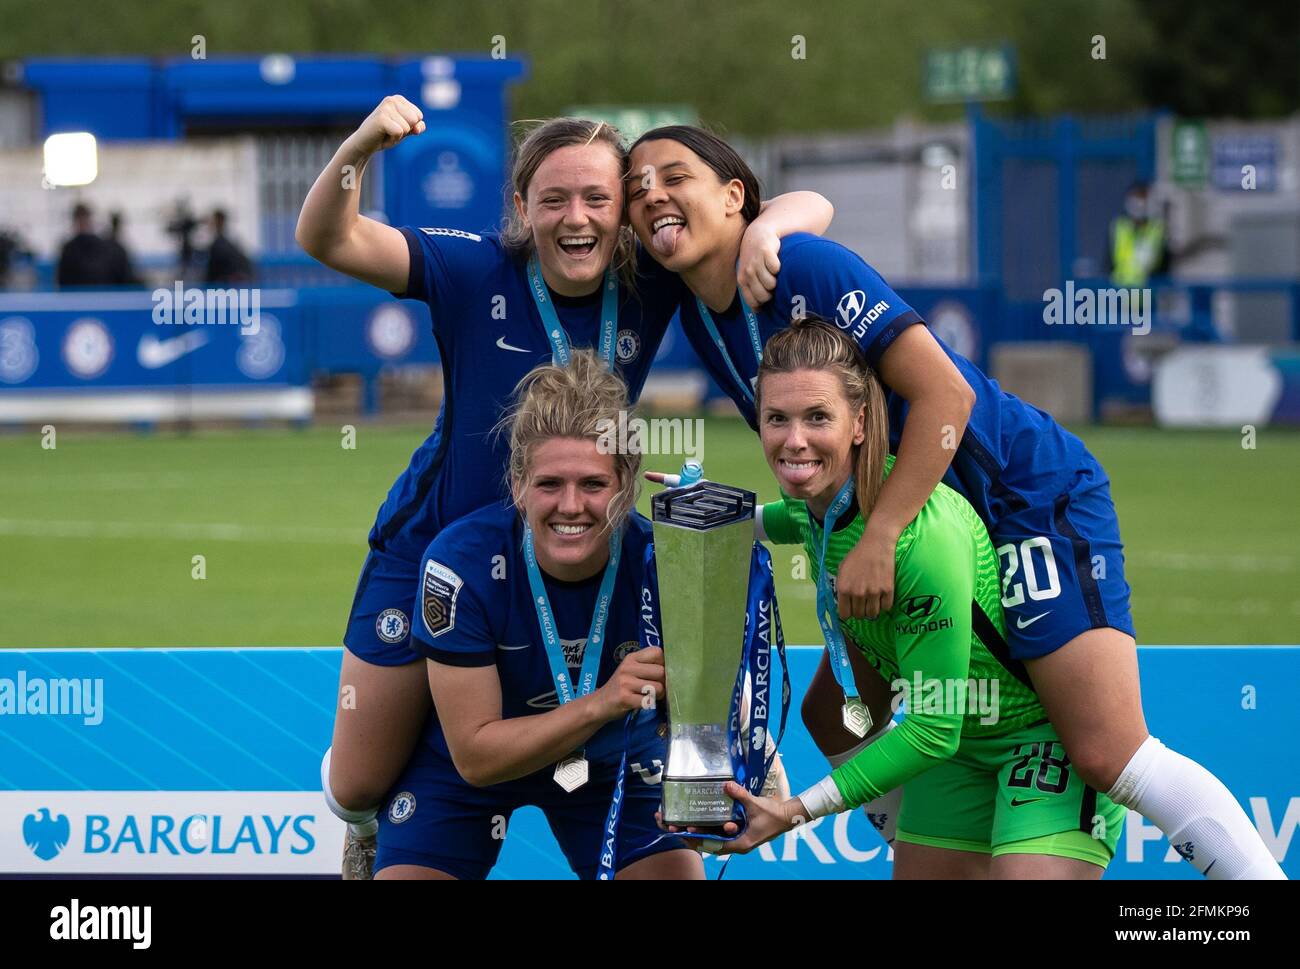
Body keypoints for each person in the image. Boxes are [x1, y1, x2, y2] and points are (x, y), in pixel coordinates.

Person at [626, 126, 1285, 879]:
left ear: (734, 195)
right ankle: (932, 838)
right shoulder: (699, 314)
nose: (652, 194)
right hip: (918, 524)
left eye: (672, 175)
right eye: (636, 186)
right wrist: (737, 517)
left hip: (1017, 492)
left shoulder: (795, 264)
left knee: (1106, 750)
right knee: (831, 714)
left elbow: (948, 392)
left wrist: (883, 531)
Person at [298, 96, 833, 878]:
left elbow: (807, 201)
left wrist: (766, 230)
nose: (575, 217)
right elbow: (327, 236)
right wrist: (363, 142)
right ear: (522, 206)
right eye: (553, 198)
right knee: (356, 781)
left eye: (597, 198)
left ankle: (725, 732)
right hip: (440, 542)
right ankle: (393, 811)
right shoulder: (474, 266)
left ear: (623, 211)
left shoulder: (653, 277)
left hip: (578, 535)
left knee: (678, 589)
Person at [683, 319, 1125, 877]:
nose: (794, 440)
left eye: (818, 417)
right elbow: (784, 519)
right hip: (960, 752)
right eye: (778, 419)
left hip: (1037, 737)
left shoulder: (920, 540)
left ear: (860, 423)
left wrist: (796, 811)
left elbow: (931, 729)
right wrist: (690, 516)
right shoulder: (819, 495)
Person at [374, 351, 704, 879]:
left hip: (609, 764)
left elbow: (701, 703)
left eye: (594, 485)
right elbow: (476, 758)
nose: (571, 506)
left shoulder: (666, 560)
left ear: (627, 484)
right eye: (550, 484)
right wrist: (600, 704)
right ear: (517, 484)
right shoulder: (458, 564)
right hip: (472, 773)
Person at [56, 203, 116, 288]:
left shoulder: (106, 248)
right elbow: (62, 281)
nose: (83, 224)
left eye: (84, 221)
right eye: (80, 221)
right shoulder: (68, 249)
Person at [205, 209, 254, 284]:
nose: (209, 224)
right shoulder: (228, 241)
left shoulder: (221, 244)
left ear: (218, 222)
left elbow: (213, 273)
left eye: (212, 221)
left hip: (232, 287)